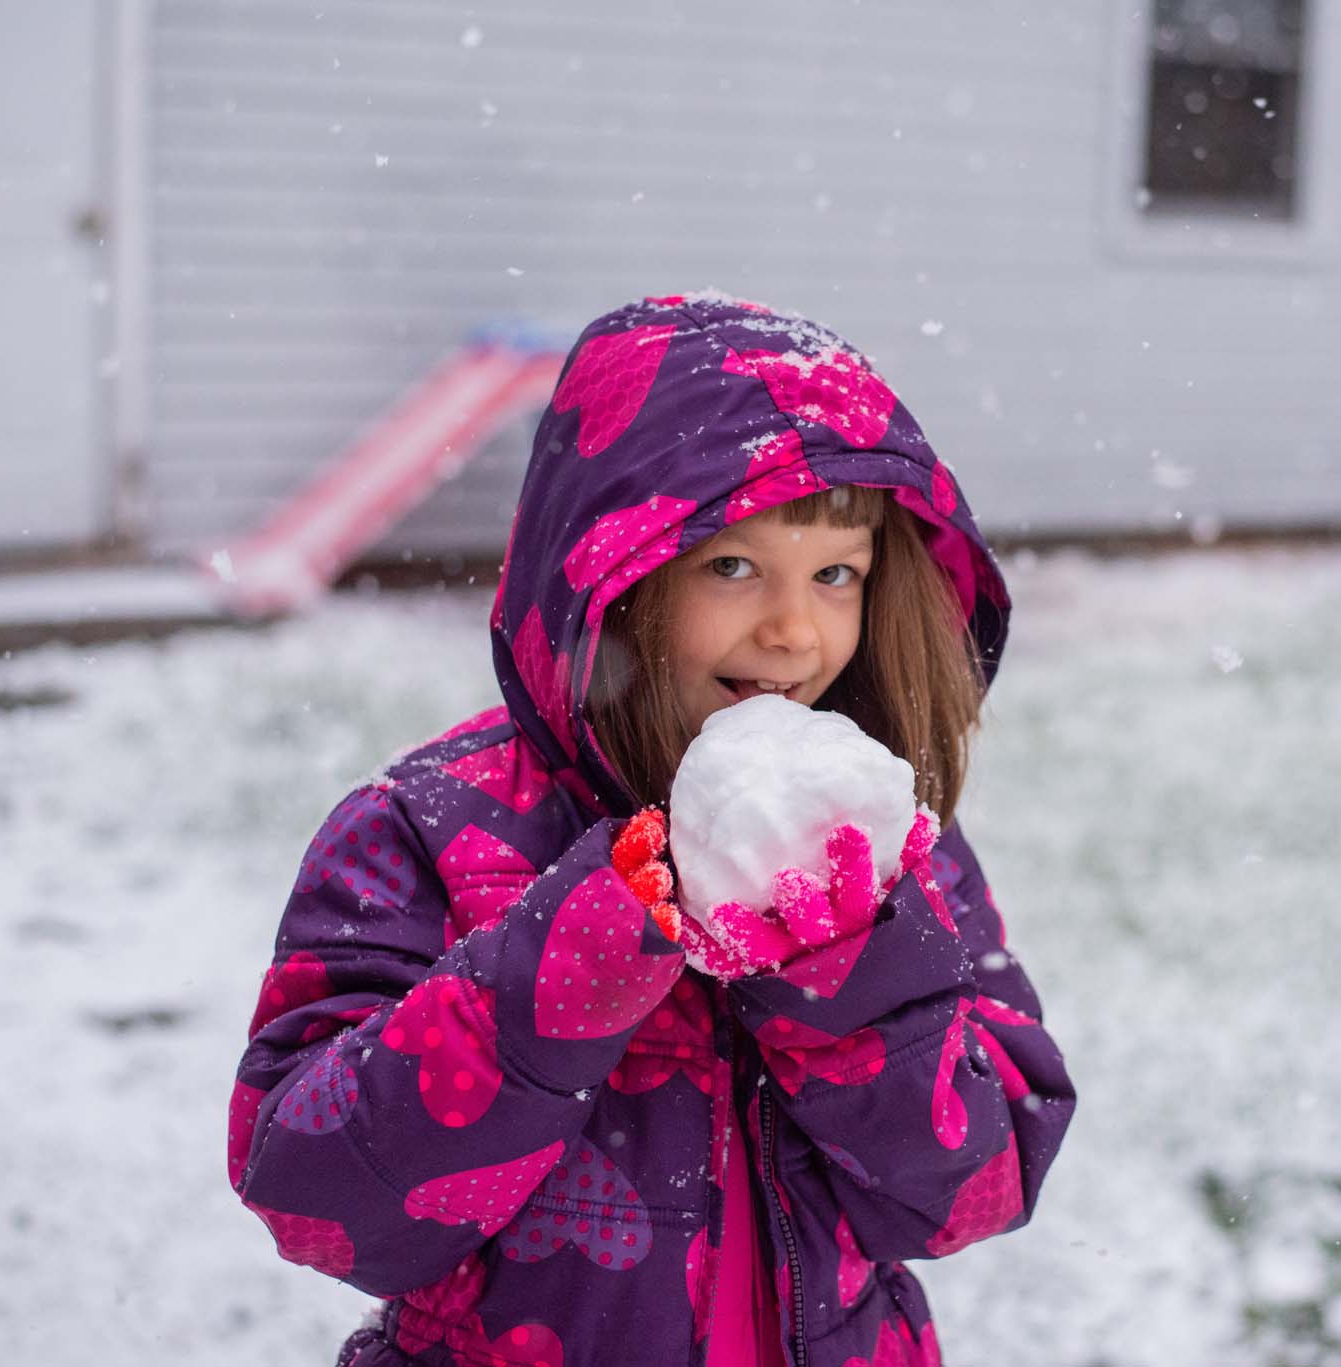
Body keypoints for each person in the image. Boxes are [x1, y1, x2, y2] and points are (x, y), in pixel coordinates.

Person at [229, 293, 1076, 1367]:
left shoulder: (885, 845)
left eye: (835, 573)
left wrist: (850, 982)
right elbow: (318, 1198)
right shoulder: (430, 829)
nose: (793, 629)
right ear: (612, 570)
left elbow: (977, 1187)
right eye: (732, 566)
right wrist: (557, 979)